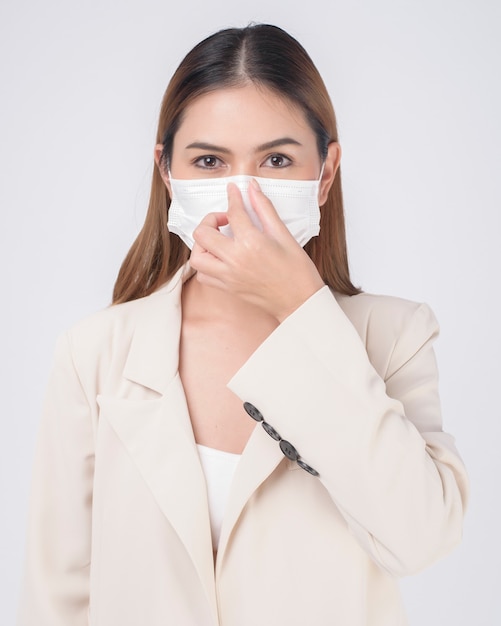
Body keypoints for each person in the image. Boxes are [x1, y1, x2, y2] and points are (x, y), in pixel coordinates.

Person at [17, 23, 468, 626]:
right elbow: (57, 596)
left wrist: (303, 312)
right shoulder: (95, 353)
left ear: (325, 173)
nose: (242, 193)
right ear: (168, 173)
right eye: (209, 161)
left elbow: (421, 537)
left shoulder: (393, 338)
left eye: (277, 159)